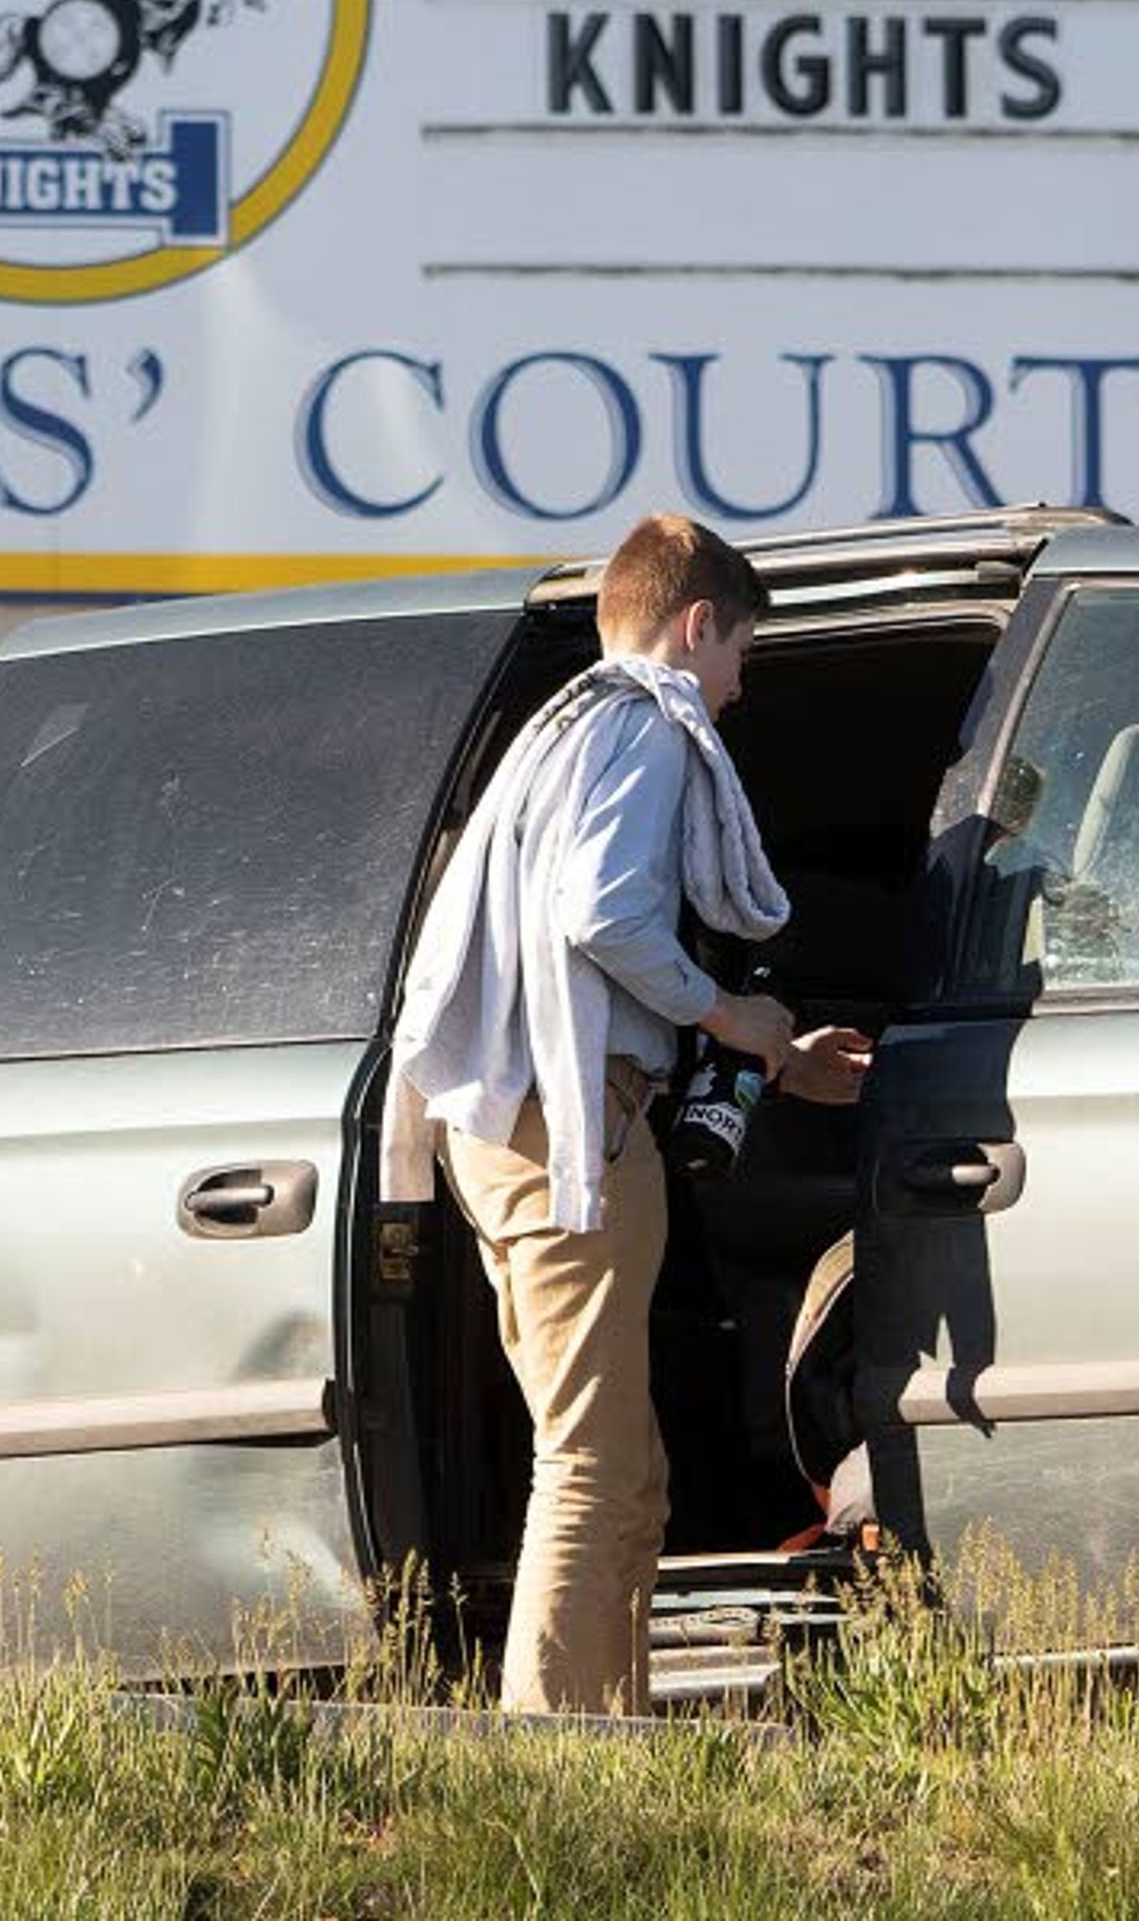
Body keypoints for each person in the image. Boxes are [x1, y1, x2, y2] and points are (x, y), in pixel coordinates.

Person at [386, 514, 873, 1715]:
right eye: (742, 656)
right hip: (575, 1125)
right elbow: (600, 915)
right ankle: (549, 1755)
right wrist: (730, 1017)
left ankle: (617, 1742)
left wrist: (764, 1053)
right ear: (697, 623)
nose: (739, 686)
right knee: (594, 1467)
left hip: (515, 1125)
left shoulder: (563, 735)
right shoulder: (652, 725)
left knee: (629, 1468)